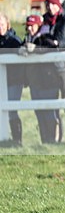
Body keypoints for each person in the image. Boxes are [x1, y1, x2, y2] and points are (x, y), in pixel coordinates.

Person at [40, 0, 65, 142]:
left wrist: (57, 44)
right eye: (48, 5)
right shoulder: (44, 21)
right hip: (49, 69)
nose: (50, 8)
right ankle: (56, 139)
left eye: (53, 4)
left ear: (58, 5)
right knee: (53, 107)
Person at [20, 14, 61, 143]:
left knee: (50, 114)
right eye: (28, 26)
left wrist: (36, 49)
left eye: (32, 26)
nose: (30, 29)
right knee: (39, 113)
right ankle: (45, 141)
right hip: (35, 82)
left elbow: (51, 48)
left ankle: (53, 141)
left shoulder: (47, 36)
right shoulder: (27, 39)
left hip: (48, 81)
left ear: (39, 25)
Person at [0, 13, 24, 144]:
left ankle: (17, 140)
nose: (0, 28)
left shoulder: (14, 40)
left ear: (7, 24)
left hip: (14, 81)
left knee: (11, 111)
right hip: (1, 81)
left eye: (2, 24)